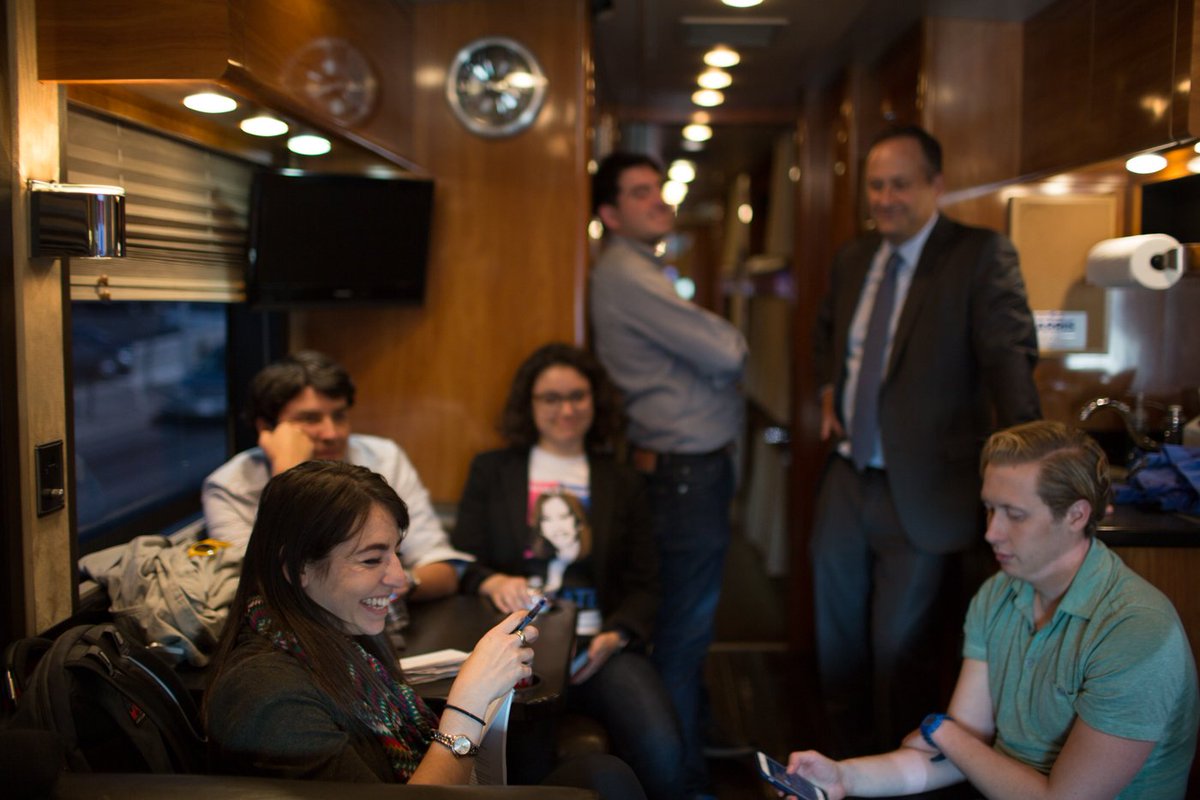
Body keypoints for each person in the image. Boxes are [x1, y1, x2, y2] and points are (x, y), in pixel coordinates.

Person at [786, 420, 1198, 799]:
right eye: (990, 508)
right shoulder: (998, 593)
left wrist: (943, 732)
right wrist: (844, 777)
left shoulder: (1136, 629)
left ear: (1076, 515)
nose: (991, 532)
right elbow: (961, 751)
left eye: (1014, 515)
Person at [204, 460, 646, 798]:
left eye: (396, 553)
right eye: (371, 559)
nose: (399, 578)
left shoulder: (336, 639)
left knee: (601, 774)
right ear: (295, 567)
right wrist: (468, 705)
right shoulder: (266, 694)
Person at [811, 125, 1042, 754]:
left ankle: (898, 773)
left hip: (926, 490)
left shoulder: (979, 254)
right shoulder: (853, 258)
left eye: (900, 185)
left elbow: (1008, 359)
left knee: (900, 650)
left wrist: (1035, 463)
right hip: (846, 477)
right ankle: (840, 768)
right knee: (835, 641)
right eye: (876, 186)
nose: (885, 199)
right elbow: (828, 334)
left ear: (936, 185)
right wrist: (829, 389)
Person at [452, 343, 686, 800]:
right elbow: (463, 562)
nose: (566, 409)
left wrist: (617, 634)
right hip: (519, 649)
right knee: (527, 762)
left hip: (600, 651)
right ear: (530, 404)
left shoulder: (624, 482)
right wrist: (492, 581)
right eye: (551, 398)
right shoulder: (491, 471)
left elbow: (646, 585)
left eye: (577, 396)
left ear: (595, 401)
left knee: (664, 753)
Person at [589, 152, 747, 798]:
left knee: (687, 631)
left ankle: (696, 750)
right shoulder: (626, 272)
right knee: (682, 636)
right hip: (684, 476)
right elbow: (727, 351)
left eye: (658, 188)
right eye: (639, 192)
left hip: (684, 472)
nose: (659, 200)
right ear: (610, 213)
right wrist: (720, 342)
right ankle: (685, 788)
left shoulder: (642, 268)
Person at [202, 350, 469, 600]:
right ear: (266, 428)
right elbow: (258, 589)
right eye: (310, 419)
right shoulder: (230, 486)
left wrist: (398, 584)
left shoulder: (383, 458)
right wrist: (289, 476)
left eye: (339, 416)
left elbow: (443, 571)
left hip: (385, 616)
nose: (332, 433)